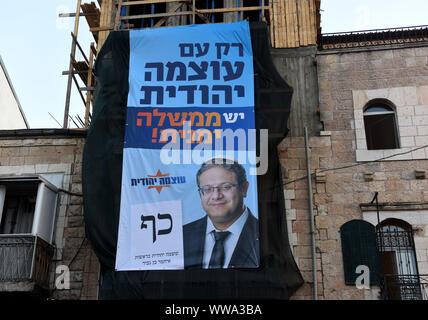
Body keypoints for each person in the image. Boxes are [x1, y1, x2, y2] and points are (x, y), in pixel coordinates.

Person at [183, 158, 259, 269]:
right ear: (200, 194)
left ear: (244, 189)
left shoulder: (264, 234)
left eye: (226, 187)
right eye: (207, 189)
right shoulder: (182, 236)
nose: (216, 196)